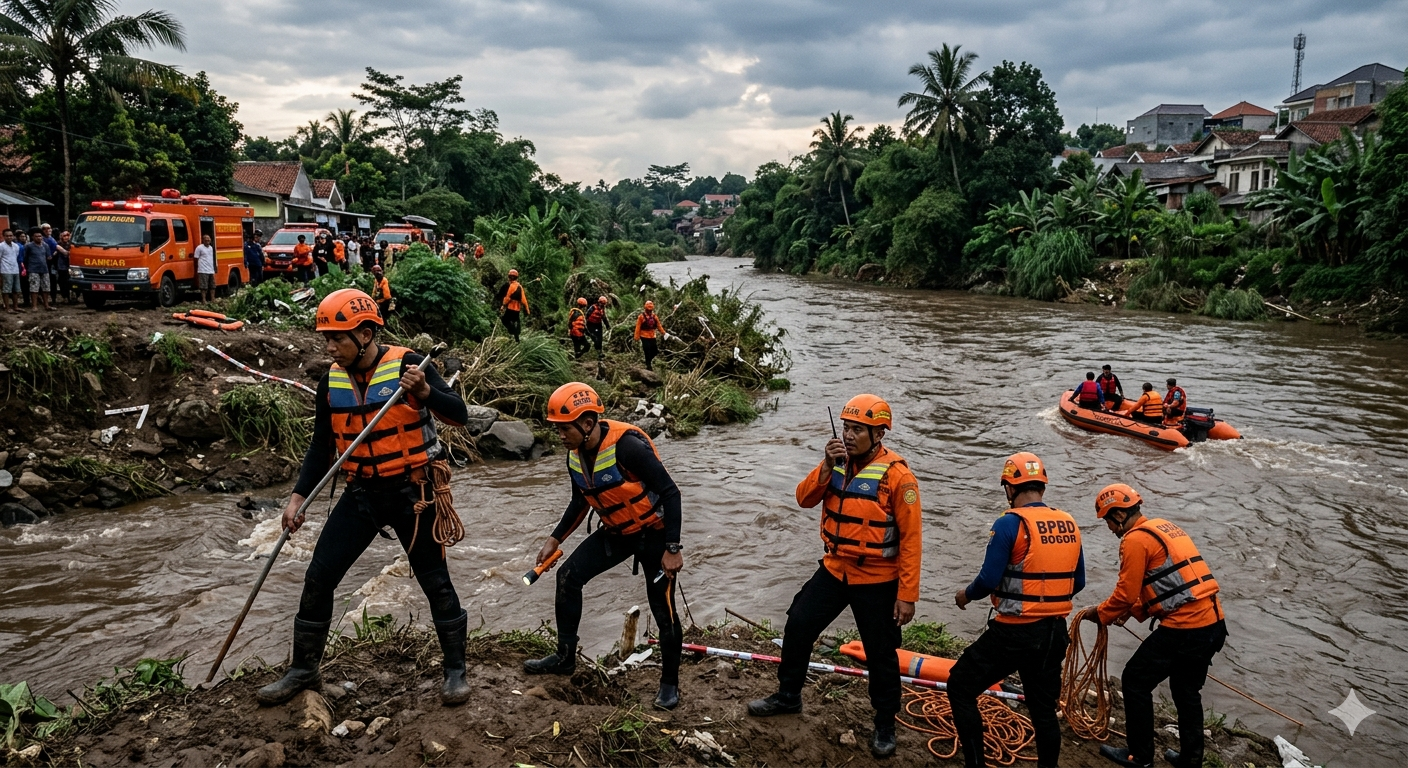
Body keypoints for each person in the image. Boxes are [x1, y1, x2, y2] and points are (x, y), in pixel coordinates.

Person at [258, 288, 471, 707]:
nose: (330, 347)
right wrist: (298, 498)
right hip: (361, 494)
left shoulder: (410, 366)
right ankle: (303, 669)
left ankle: (455, 672)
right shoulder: (329, 382)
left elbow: (458, 414)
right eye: (327, 338)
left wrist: (426, 393)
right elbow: (322, 447)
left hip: (415, 493)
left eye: (338, 338)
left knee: (436, 584)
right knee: (319, 576)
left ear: (368, 334)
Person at [748, 395, 920, 758]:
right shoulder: (836, 464)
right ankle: (789, 695)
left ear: (878, 435)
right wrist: (826, 466)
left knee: (881, 653)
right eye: (846, 427)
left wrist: (907, 594)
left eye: (858, 429)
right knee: (798, 623)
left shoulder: (899, 477)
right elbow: (803, 498)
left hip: (877, 578)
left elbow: (911, 540)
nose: (849, 435)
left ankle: (885, 722)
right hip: (835, 567)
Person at [525, 382, 685, 710]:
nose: (559, 436)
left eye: (563, 429)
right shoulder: (575, 456)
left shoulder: (627, 448)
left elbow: (671, 493)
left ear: (587, 424)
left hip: (655, 535)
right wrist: (554, 539)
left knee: (662, 607)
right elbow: (579, 501)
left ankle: (669, 684)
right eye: (555, 429)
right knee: (569, 576)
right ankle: (565, 657)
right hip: (618, 532)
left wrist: (673, 548)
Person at [949, 452, 1084, 768]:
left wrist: (965, 596)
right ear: (1042, 486)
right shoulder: (1069, 523)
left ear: (1010, 488)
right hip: (1054, 633)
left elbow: (988, 579)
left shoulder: (1009, 523)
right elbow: (1078, 582)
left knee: (960, 686)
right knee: (1043, 710)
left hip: (1014, 631)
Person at [1086, 484, 1226, 768]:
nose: (1110, 529)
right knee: (1186, 691)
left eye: (1109, 521)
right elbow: (1172, 586)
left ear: (1121, 514)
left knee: (1135, 681)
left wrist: (1100, 614)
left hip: (1185, 629)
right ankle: (1191, 760)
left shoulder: (1134, 540)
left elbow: (1125, 593)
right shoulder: (1164, 527)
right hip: (1213, 624)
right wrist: (1133, 611)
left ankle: (1139, 756)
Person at [497, 268, 530, 342]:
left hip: (510, 308)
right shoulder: (520, 287)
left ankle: (513, 332)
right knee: (515, 322)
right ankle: (516, 339)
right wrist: (527, 310)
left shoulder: (511, 286)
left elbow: (507, 298)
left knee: (505, 320)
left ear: (509, 277)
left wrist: (503, 306)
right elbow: (524, 300)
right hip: (517, 310)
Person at [24, 229, 51, 311]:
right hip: (33, 269)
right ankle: (34, 306)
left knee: (46, 288)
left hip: (44, 269)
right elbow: (25, 258)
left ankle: (46, 305)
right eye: (36, 236)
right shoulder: (29, 246)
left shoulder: (45, 245)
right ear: (32, 237)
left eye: (40, 236)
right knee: (34, 288)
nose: (38, 238)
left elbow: (49, 257)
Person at [634, 300, 665, 371]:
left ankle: (648, 361)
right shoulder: (641, 317)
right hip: (644, 336)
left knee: (655, 351)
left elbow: (659, 326)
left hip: (652, 336)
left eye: (650, 310)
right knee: (647, 350)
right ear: (645, 309)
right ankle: (648, 365)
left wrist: (664, 333)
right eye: (648, 309)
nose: (649, 311)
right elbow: (637, 327)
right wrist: (636, 337)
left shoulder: (654, 316)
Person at [0, 228, 21, 313]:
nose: (9, 237)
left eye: (11, 235)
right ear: (3, 236)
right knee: (6, 290)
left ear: (13, 236)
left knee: (16, 289)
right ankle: (7, 307)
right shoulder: (1, 246)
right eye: (7, 236)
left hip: (15, 270)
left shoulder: (16, 246)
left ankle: (16, 306)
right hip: (5, 270)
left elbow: (15, 257)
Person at [50, 231, 72, 303]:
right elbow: (54, 254)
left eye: (67, 236)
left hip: (70, 266)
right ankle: (64, 297)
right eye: (64, 236)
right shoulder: (58, 244)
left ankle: (72, 297)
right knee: (62, 282)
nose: (66, 237)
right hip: (61, 266)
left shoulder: (72, 245)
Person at [195, 234, 216, 303]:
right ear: (203, 240)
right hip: (203, 270)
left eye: (208, 239)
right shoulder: (199, 248)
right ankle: (204, 300)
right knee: (203, 286)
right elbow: (196, 258)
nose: (207, 240)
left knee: (212, 285)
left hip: (210, 270)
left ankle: (213, 299)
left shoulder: (211, 248)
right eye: (206, 239)